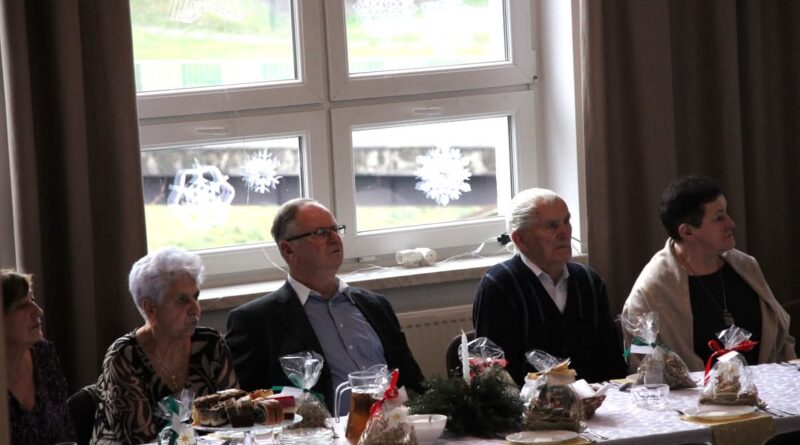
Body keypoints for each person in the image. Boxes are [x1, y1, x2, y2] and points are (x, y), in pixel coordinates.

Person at [226, 198, 425, 412]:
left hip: (397, 423)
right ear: (288, 250)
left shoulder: (375, 306)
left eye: (335, 229)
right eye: (320, 232)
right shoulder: (254, 321)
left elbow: (414, 382)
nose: (334, 238)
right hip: (322, 429)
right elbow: (248, 407)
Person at [622, 175, 795, 371]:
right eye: (719, 218)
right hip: (692, 390)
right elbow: (640, 362)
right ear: (687, 232)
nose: (731, 223)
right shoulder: (650, 291)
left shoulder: (746, 266)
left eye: (726, 214)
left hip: (768, 385)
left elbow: (781, 339)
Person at [472, 188, 626, 385]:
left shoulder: (589, 282)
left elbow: (612, 363)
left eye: (566, 221)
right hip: (530, 403)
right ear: (520, 239)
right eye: (552, 226)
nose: (565, 233)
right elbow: (495, 376)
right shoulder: (500, 286)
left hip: (598, 400)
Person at [92, 247, 237, 444]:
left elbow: (235, 415)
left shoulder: (210, 344)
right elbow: (140, 440)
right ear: (150, 308)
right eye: (182, 300)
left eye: (195, 297)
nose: (195, 309)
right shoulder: (124, 357)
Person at [3, 269, 76, 444]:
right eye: (22, 306)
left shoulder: (44, 354)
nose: (38, 311)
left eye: (33, 300)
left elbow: (66, 431)